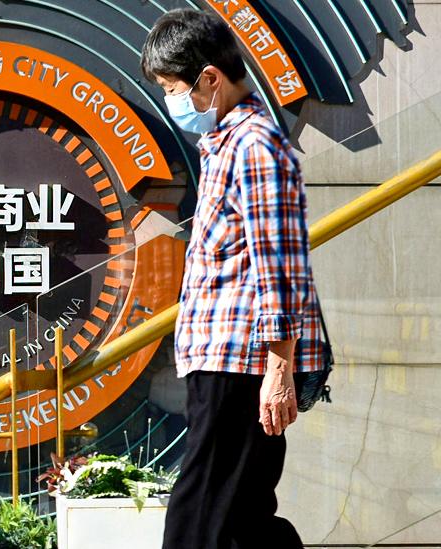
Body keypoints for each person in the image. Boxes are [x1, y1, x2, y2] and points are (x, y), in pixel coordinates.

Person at [140, 9, 323, 549]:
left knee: (197, 520)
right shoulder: (226, 145)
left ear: (210, 79)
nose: (175, 103)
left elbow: (281, 261)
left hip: (239, 363)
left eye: (176, 89)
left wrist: (279, 367)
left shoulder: (253, 147)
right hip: (223, 360)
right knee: (239, 518)